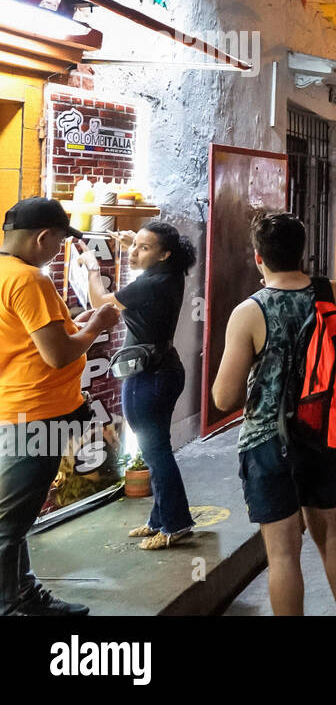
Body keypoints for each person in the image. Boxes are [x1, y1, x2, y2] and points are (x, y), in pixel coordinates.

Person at [212, 213, 336, 616]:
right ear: (302, 252)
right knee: (332, 533)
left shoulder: (250, 311)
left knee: (282, 554)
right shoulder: (333, 294)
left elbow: (224, 397)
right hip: (321, 432)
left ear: (259, 258)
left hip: (267, 442)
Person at [1, 198, 119, 616]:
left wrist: (80, 324)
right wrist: (97, 327)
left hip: (13, 409)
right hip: (34, 416)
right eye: (58, 243)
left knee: (16, 518)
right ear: (43, 237)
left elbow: (30, 342)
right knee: (9, 525)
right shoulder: (30, 279)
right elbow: (57, 354)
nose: (57, 252)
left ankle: (23, 596)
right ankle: (11, 605)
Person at [82, 221, 199, 550]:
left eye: (143, 248)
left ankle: (175, 525)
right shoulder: (171, 272)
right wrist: (136, 241)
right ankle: (160, 520)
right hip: (165, 370)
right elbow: (149, 249)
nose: (133, 252)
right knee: (155, 448)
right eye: (135, 245)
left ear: (163, 255)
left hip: (149, 377)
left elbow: (100, 303)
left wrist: (92, 267)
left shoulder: (150, 284)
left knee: (155, 452)